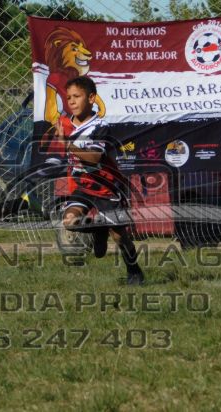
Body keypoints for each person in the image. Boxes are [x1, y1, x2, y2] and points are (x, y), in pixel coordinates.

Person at [53, 76, 145, 285]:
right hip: (82, 186)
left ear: (91, 98)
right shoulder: (64, 123)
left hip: (106, 187)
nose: (72, 101)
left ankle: (134, 271)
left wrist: (67, 144)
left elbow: (94, 157)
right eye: (69, 97)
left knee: (119, 235)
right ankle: (99, 228)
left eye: (77, 96)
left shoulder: (100, 127)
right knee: (70, 222)